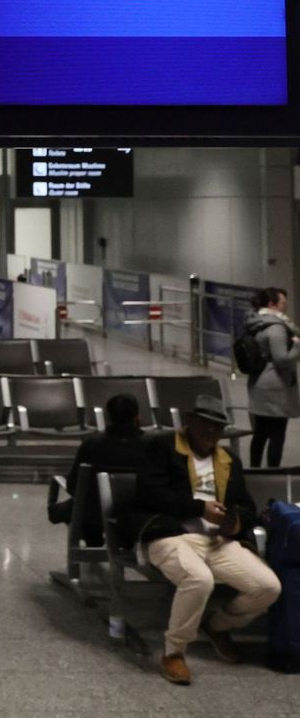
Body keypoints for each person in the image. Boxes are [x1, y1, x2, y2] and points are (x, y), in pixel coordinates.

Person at [132, 394, 280, 685]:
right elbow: (149, 494)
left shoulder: (228, 461)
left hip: (217, 541)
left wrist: (236, 522)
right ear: (190, 422)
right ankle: (174, 651)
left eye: (217, 427)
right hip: (170, 534)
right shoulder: (161, 448)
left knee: (267, 587)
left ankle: (217, 626)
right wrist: (199, 508)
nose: (210, 432)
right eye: (205, 424)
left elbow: (246, 505)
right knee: (199, 579)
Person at [49, 393, 148, 546]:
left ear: (108, 417)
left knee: (80, 506)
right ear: (137, 417)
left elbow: (73, 485)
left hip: (91, 515)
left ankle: (92, 541)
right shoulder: (151, 445)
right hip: (137, 512)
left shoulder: (92, 444)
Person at [245, 287, 300, 467]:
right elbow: (282, 360)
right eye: (283, 303)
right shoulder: (276, 328)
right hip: (275, 387)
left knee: (260, 433)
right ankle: (272, 473)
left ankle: (254, 470)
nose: (285, 306)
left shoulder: (257, 323)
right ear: (272, 304)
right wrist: (297, 348)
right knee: (277, 434)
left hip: (258, 383)